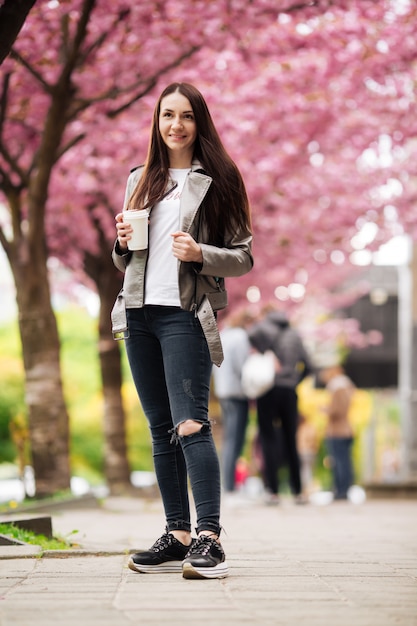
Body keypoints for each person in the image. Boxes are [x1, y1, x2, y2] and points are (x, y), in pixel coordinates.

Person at [111, 82, 253, 579]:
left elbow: (243, 256)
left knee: (190, 423)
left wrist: (200, 254)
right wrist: (123, 242)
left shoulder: (219, 178)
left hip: (185, 315)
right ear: (157, 122)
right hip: (138, 313)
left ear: (200, 122)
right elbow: (125, 258)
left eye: (186, 116)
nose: (176, 125)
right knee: (159, 429)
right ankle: (178, 534)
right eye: (167, 115)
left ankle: (210, 539)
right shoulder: (139, 177)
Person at [248, 309, 312, 504]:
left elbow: (249, 336)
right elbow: (309, 366)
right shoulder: (294, 335)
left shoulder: (262, 330)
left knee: (267, 439)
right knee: (290, 439)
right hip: (289, 392)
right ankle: (298, 491)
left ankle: (272, 491)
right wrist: (293, 381)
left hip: (267, 389)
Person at [212, 309, 253, 494]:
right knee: (235, 439)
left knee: (229, 438)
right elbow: (242, 366)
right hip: (237, 392)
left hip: (223, 391)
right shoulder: (240, 337)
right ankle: (229, 485)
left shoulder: (223, 335)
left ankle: (226, 482)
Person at [320, 364, 355, 500]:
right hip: (345, 430)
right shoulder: (346, 387)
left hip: (338, 431)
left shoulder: (338, 388)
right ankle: (342, 489)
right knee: (344, 461)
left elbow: (338, 410)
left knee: (340, 463)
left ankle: (342, 491)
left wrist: (326, 410)